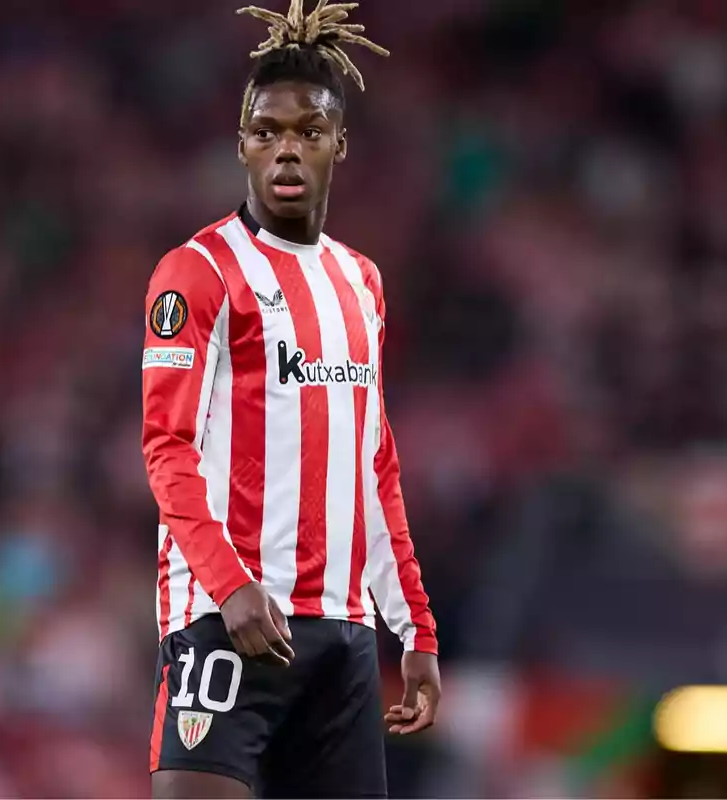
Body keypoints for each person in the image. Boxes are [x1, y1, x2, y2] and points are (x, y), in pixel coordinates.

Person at [141, 1, 440, 796]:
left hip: (343, 635)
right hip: (227, 623)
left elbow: (372, 464)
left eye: (308, 131)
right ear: (241, 143)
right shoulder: (197, 273)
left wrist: (414, 629)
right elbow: (166, 449)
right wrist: (230, 587)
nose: (286, 149)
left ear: (339, 144)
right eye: (267, 131)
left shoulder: (361, 282)